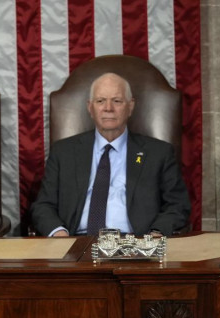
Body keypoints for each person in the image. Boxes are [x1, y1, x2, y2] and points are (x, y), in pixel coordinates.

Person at [30, 72, 191, 238]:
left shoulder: (158, 153)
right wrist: (59, 234)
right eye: (100, 101)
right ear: (90, 107)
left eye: (117, 101)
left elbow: (177, 205)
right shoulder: (63, 152)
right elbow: (43, 205)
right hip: (75, 241)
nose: (108, 108)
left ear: (131, 106)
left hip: (136, 243)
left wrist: (156, 233)